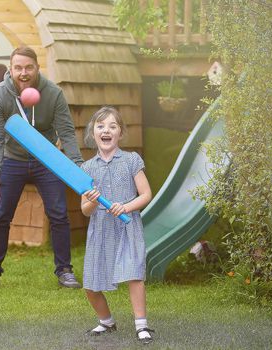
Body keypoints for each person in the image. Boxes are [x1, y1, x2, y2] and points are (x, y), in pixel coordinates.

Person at [0, 46, 84, 289]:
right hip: (12, 159)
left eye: (29, 67)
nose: (23, 73)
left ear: (37, 68)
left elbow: (66, 133)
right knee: (1, 215)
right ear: (11, 69)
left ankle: (64, 270)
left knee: (59, 214)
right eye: (18, 68)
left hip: (46, 160)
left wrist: (78, 165)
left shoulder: (53, 94)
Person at [80, 106, 154, 344]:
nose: (106, 130)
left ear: (120, 133)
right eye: (100, 126)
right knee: (91, 283)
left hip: (126, 225)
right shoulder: (87, 168)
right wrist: (91, 202)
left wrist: (126, 207)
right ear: (93, 132)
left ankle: (141, 326)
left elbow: (146, 194)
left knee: (134, 274)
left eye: (112, 126)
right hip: (100, 227)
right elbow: (84, 209)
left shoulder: (131, 160)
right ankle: (106, 321)